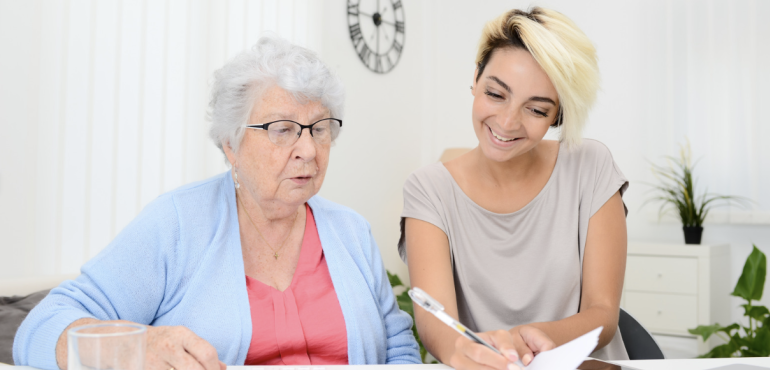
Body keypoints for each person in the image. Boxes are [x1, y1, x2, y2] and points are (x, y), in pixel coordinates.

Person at [14, 36, 420, 370]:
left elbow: (397, 347)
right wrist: (135, 348)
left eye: (319, 129)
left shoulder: (350, 230)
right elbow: (42, 328)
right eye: (283, 130)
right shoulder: (176, 223)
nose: (308, 150)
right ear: (231, 143)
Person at [399, 7, 629, 370]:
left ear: (558, 115)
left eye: (536, 110)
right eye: (495, 93)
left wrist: (525, 339)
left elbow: (604, 313)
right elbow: (435, 329)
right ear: (475, 78)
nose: (507, 123)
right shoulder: (429, 190)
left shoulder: (591, 166)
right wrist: (471, 351)